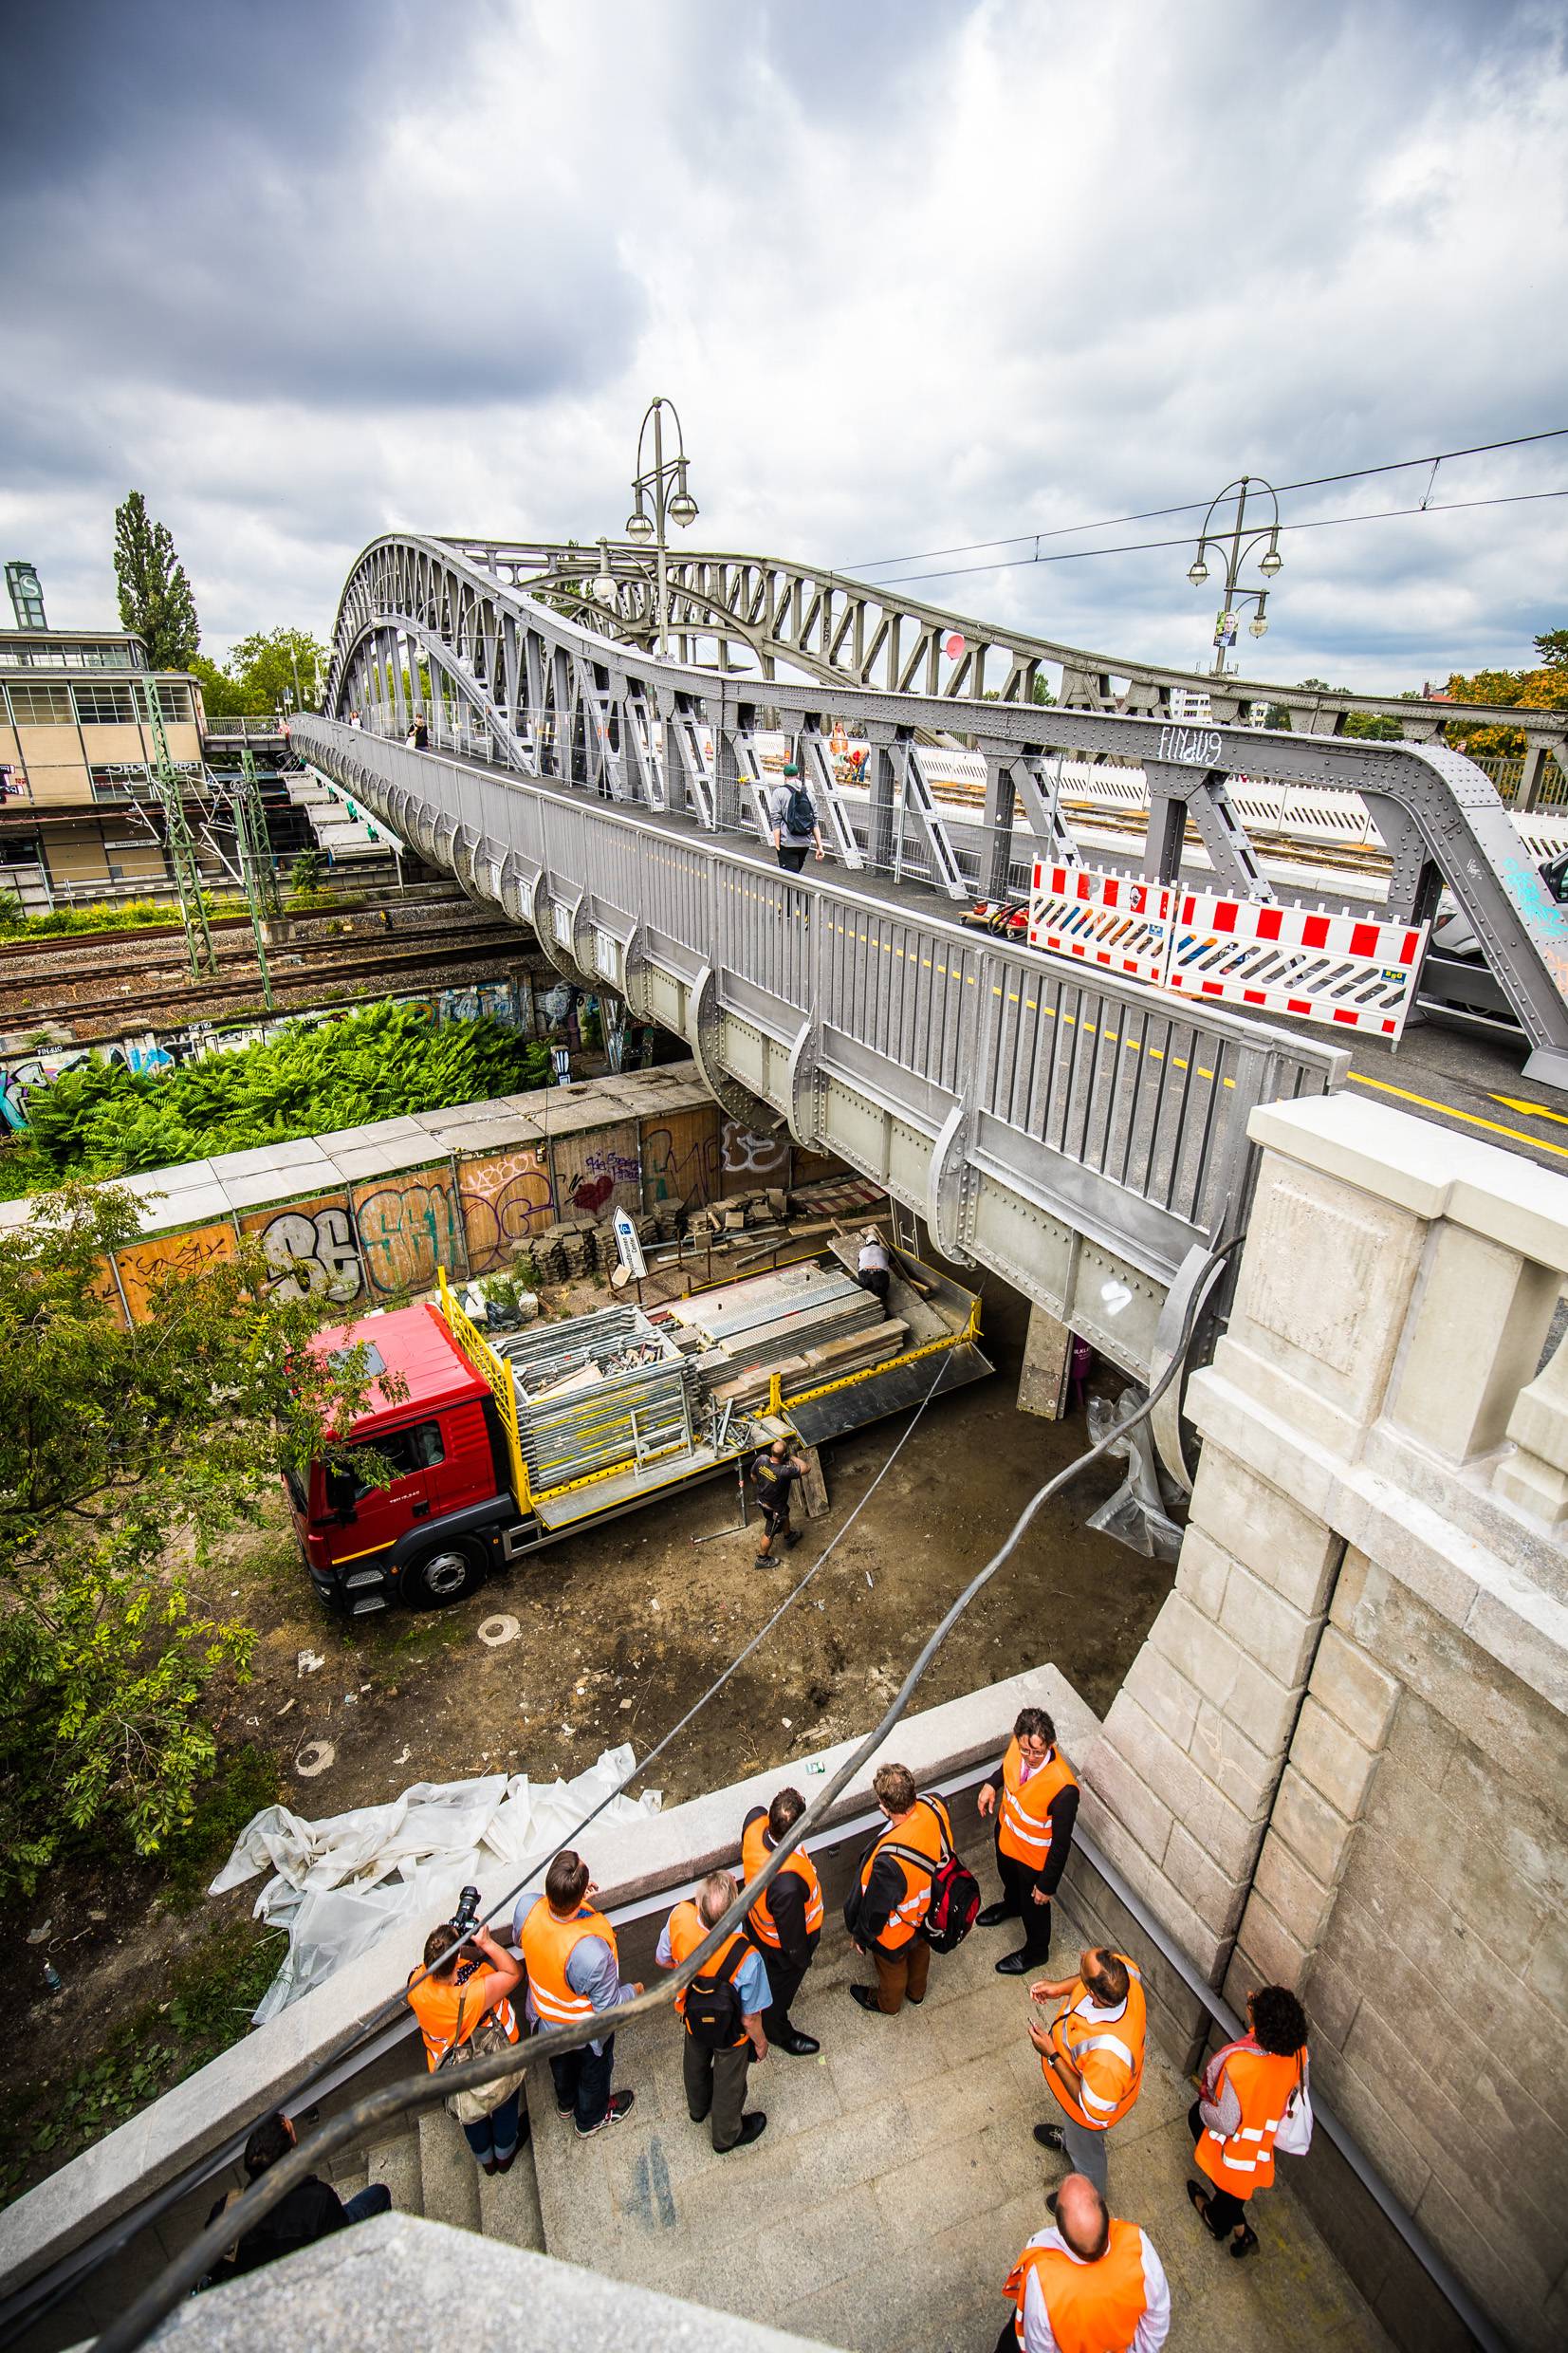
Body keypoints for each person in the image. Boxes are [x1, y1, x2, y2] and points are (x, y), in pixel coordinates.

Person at [515, 1849, 640, 2138]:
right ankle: (590, 2119)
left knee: (560, 2066)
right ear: (583, 1891)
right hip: (584, 2031)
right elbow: (609, 2008)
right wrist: (633, 1992)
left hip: (545, 2021)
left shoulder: (526, 1907)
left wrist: (572, 1906)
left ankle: (565, 2103)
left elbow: (524, 1936)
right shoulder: (590, 1953)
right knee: (594, 2075)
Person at [1188, 1983, 1309, 2259]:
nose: (1249, 1996)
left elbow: (1226, 2122)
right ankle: (1242, 2232)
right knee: (1238, 2189)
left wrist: (1206, 2106)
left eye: (1255, 2002)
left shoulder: (1242, 2067)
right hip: (1262, 2141)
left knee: (1197, 2121)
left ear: (1263, 2027)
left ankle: (1216, 2222)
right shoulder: (1298, 2051)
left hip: (1238, 2146)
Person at [202, 2109, 392, 2284]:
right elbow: (340, 2249)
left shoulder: (225, 2213)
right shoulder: (317, 2198)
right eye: (294, 2138)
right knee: (379, 2194)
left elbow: (213, 2267)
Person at [657, 1869, 771, 2152]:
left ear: (699, 1903)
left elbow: (663, 1959)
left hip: (693, 2017)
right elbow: (750, 2016)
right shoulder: (747, 1956)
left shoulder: (679, 1918)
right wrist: (761, 2042)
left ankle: (697, 2109)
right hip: (730, 2034)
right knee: (729, 2085)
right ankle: (725, 2136)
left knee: (694, 2064)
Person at [406, 1916, 526, 2175]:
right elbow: (513, 1973)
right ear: (457, 1956)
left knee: (472, 2113)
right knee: (503, 2100)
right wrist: (487, 1943)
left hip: (451, 2070)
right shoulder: (471, 1995)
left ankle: (487, 2162)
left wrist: (445, 1942)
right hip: (493, 2058)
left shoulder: (415, 1984)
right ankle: (505, 2155)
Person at [998, 2174, 1171, 2353]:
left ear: (1061, 2232)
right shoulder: (1139, 2246)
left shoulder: (1042, 2283)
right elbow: (1157, 2319)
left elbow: (1039, 2346)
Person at [1028, 1947, 1147, 2196]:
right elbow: (1087, 1981)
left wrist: (1051, 2054)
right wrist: (1059, 1988)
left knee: (1087, 2155)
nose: (1081, 1954)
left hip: (1087, 2111)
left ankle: (1090, 2199)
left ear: (1093, 1994)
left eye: (1083, 1964)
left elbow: (1091, 2111)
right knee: (1075, 2135)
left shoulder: (1109, 2060)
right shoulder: (1124, 1972)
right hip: (1086, 2092)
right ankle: (1071, 2141)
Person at [844, 1763, 955, 2016]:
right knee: (921, 1952)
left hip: (898, 1930)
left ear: (884, 1806)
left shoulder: (889, 1860)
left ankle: (888, 2004)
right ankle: (917, 1993)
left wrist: (861, 1936)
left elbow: (875, 1910)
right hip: (929, 1915)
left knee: (893, 1969)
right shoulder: (935, 1805)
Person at [976, 1706, 1079, 1974]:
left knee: (1035, 1907)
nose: (1031, 1757)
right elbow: (1008, 1768)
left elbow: (1061, 1843)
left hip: (1034, 1859)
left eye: (1038, 1752)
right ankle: (1012, 1906)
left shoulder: (1064, 1788)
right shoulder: (1018, 1746)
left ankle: (1036, 1952)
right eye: (1026, 1750)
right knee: (1008, 1880)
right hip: (1007, 1837)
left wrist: (1047, 1884)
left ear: (1050, 1745)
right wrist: (991, 1784)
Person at [741, 1786, 823, 2055]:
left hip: (755, 1926)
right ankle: (777, 2032)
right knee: (776, 1997)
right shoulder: (786, 1883)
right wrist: (801, 1960)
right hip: (779, 1951)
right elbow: (792, 1939)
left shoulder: (755, 1821)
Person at [751, 1436, 810, 1567]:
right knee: (769, 1532)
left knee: (785, 1513)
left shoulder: (761, 1460)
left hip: (763, 1500)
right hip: (773, 1508)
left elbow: (753, 1476)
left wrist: (762, 1485)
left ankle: (789, 1536)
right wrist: (791, 1457)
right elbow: (806, 1468)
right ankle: (761, 1559)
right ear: (783, 1454)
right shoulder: (784, 1471)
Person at [769, 763, 825, 873]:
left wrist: (777, 845)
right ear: (798, 775)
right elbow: (814, 822)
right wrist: (820, 847)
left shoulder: (779, 793)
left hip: (787, 842)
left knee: (789, 878)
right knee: (796, 875)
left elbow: (775, 820)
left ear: (785, 776)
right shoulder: (809, 794)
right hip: (804, 843)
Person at [857, 1229, 893, 1305]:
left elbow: (859, 1265)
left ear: (867, 1243)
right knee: (881, 1293)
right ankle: (882, 1299)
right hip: (879, 1275)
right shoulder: (884, 1250)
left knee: (865, 1291)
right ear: (878, 1242)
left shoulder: (862, 1251)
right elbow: (891, 1262)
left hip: (864, 1274)